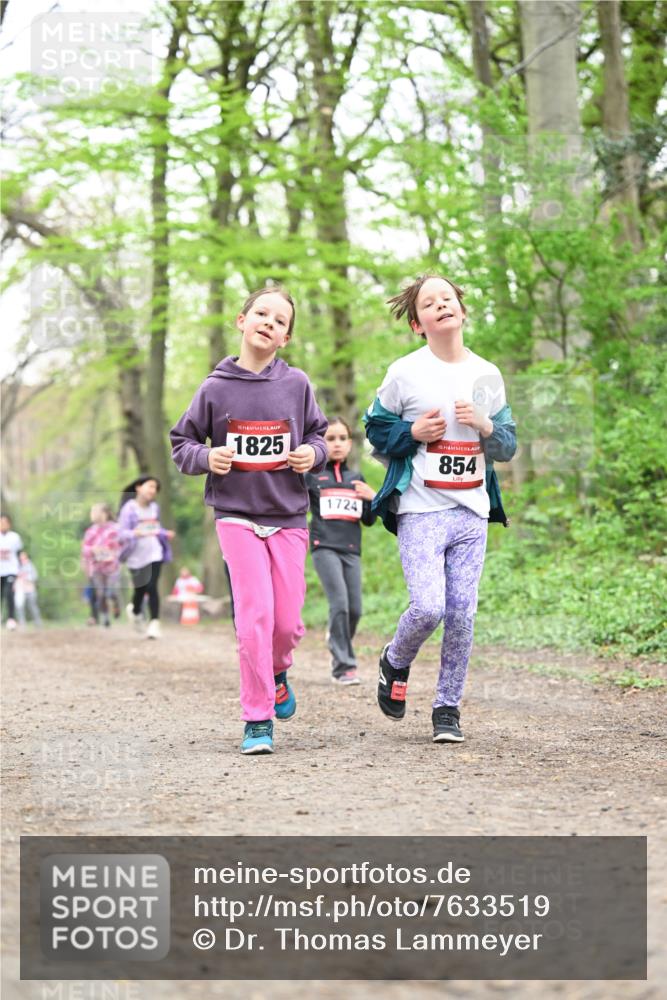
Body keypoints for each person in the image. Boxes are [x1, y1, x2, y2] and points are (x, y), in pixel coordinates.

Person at [170, 286, 328, 755]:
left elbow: (320, 435)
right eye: (261, 313)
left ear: (286, 338)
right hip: (236, 515)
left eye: (280, 321)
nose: (269, 322)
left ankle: (277, 671)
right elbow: (182, 443)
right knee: (254, 617)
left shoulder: (296, 384)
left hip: (288, 515)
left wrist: (311, 454)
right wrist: (208, 455)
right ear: (241, 320)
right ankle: (257, 719)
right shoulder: (214, 388)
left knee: (287, 623)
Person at [364, 274, 516, 744]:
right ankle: (395, 659)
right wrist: (413, 434)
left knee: (463, 614)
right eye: (430, 303)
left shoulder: (487, 374)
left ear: (462, 310)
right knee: (429, 607)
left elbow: (507, 446)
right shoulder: (405, 372)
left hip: (472, 510)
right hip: (422, 508)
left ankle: (447, 708)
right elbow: (374, 429)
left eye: (447, 298)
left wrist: (486, 425)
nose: (441, 306)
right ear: (417, 323)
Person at [306, 418, 377, 685]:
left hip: (351, 550)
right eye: (330, 438)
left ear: (349, 443)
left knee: (355, 609)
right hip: (324, 548)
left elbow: (369, 520)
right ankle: (343, 666)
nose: (336, 444)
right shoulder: (312, 477)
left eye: (342, 438)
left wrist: (373, 498)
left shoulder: (356, 478)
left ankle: (335, 639)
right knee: (340, 605)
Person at [118, 477, 174, 639]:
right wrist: (135, 533)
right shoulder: (129, 509)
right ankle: (135, 610)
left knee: (152, 586)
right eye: (150, 486)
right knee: (140, 589)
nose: (153, 491)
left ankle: (154, 623)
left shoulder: (154, 508)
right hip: (135, 556)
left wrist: (165, 533)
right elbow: (121, 533)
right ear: (138, 487)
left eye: (155, 488)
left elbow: (155, 528)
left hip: (155, 552)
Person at [81, 503, 121, 628]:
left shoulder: (116, 528)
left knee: (111, 591)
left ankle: (116, 603)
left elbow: (122, 544)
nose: (91, 514)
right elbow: (85, 549)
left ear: (104, 513)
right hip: (96, 567)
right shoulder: (91, 531)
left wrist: (113, 552)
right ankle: (105, 618)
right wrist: (93, 550)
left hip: (112, 567)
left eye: (94, 511)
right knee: (101, 593)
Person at [0, 513, 23, 630]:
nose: (3, 525)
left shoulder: (15, 537)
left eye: (5, 522)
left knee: (9, 593)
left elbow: (19, 553)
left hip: (11, 570)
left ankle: (11, 619)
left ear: (9, 524)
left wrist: (20, 569)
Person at [14, 550, 42, 627]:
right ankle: (22, 624)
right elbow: (14, 577)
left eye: (24, 556)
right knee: (19, 607)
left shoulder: (30, 565)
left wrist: (26, 577)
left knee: (33, 606)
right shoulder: (16, 566)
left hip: (30, 589)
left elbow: (35, 576)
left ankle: (38, 623)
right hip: (20, 589)